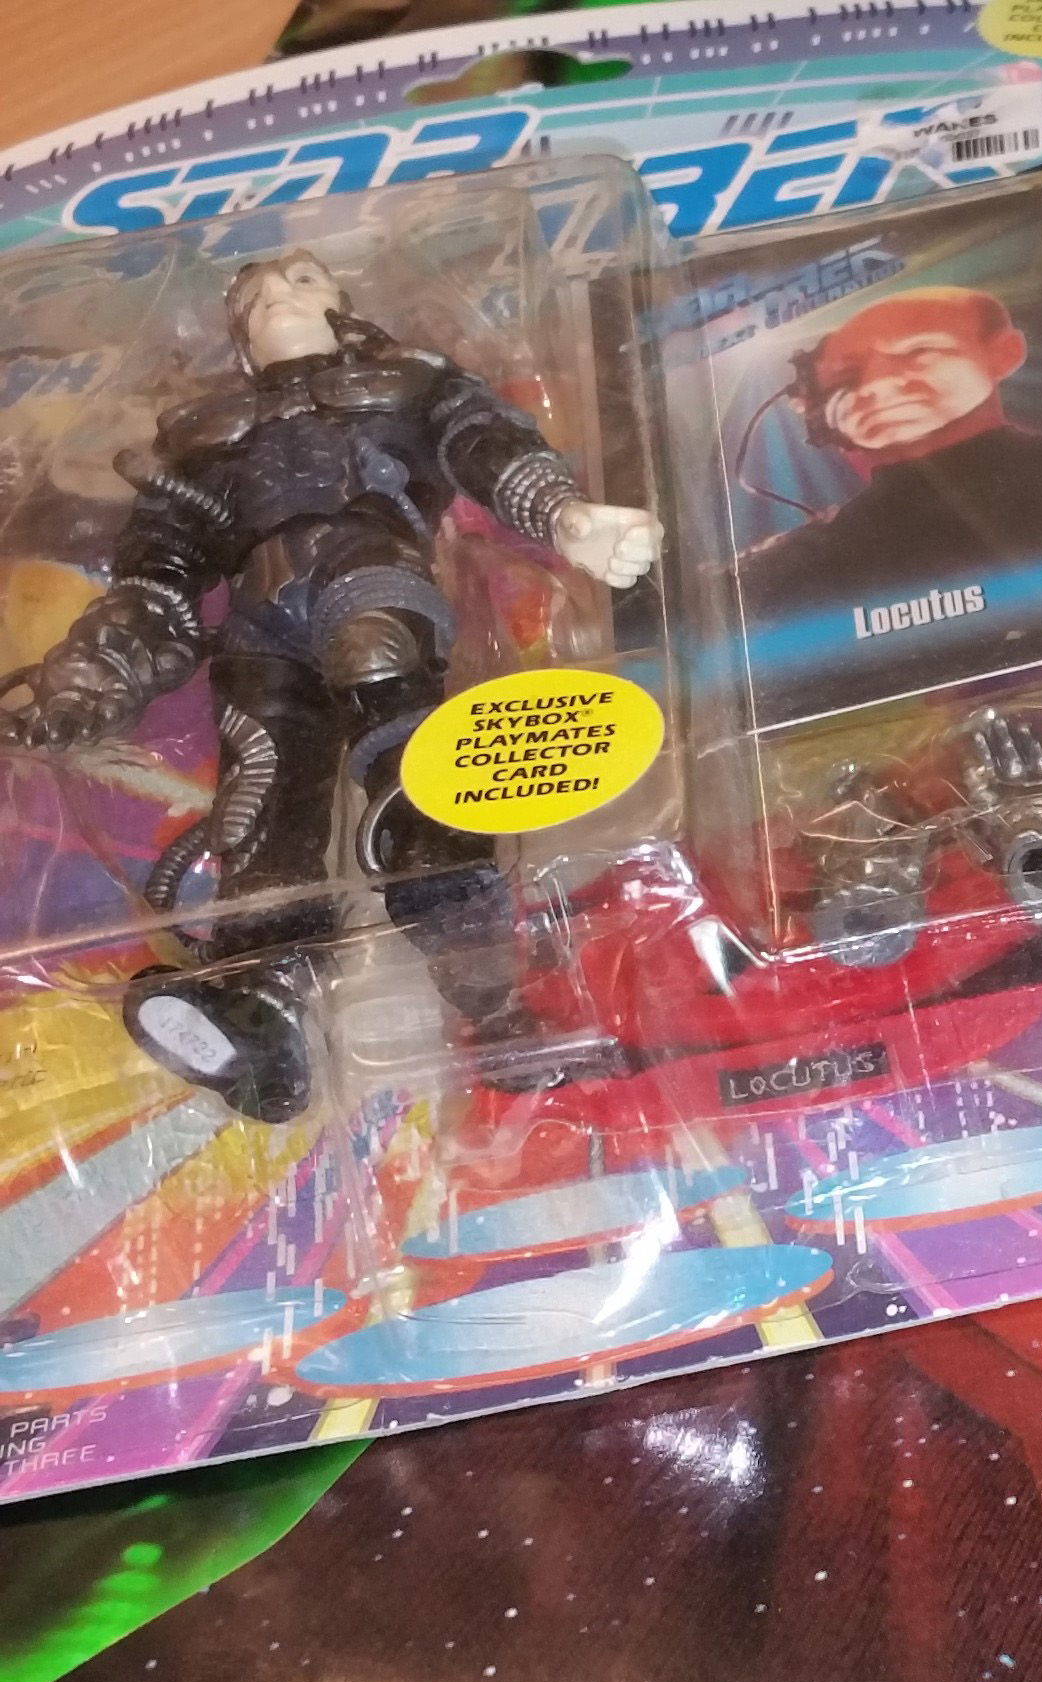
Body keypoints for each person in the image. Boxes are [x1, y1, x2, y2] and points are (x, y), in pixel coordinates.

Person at [1, 249, 657, 1121]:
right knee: (262, 805)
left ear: (343, 300)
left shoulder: (407, 381)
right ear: (237, 335)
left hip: (371, 578)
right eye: (255, 295)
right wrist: (90, 681)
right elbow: (157, 573)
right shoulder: (199, 434)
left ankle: (491, 997)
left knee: (411, 763)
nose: (278, 294)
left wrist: (565, 517)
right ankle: (262, 995)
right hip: (259, 628)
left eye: (302, 280)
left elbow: (484, 444)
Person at [733, 282, 1042, 707]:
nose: (877, 386)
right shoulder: (794, 567)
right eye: (846, 375)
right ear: (815, 409)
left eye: (918, 352)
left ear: (1004, 353)